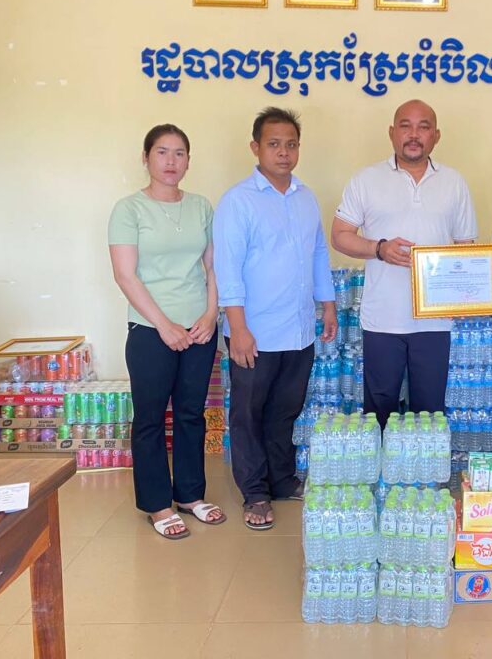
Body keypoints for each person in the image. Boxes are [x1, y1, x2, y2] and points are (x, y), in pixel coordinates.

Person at [214, 107, 337, 530]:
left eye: (291, 145)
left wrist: (328, 304)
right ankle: (254, 492)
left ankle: (282, 480)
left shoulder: (305, 197)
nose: (283, 153)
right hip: (254, 331)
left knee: (285, 411)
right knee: (249, 414)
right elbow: (227, 268)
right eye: (274, 144)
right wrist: (238, 329)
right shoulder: (238, 201)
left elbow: (318, 253)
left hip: (298, 329)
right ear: (256, 148)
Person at [109, 124, 225, 539]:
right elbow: (125, 275)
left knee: (192, 413)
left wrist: (211, 314)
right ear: (146, 158)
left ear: (188, 161)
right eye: (162, 152)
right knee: (151, 418)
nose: (171, 161)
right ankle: (157, 504)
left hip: (199, 329)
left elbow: (213, 267)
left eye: (179, 153)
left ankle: (191, 496)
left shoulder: (201, 206)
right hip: (150, 329)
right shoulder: (129, 210)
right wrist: (164, 325)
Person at [331, 99, 477, 428]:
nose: (414, 134)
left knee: (430, 415)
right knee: (379, 412)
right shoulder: (366, 179)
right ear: (391, 133)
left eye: (423, 127)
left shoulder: (454, 182)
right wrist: (378, 248)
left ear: (436, 135)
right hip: (382, 319)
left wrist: (464, 297)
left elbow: (465, 249)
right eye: (405, 126)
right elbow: (339, 235)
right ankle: (381, 463)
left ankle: (425, 466)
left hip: (434, 321)